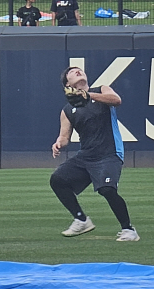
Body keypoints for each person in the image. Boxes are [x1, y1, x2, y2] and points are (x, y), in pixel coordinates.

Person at [50, 66, 139, 241]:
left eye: (80, 70)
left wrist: (89, 95)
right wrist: (59, 143)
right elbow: (65, 136)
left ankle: (129, 230)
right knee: (57, 180)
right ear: (67, 84)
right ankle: (81, 219)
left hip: (109, 152)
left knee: (107, 189)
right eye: (72, 72)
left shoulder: (101, 90)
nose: (78, 71)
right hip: (86, 155)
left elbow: (116, 100)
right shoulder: (68, 110)